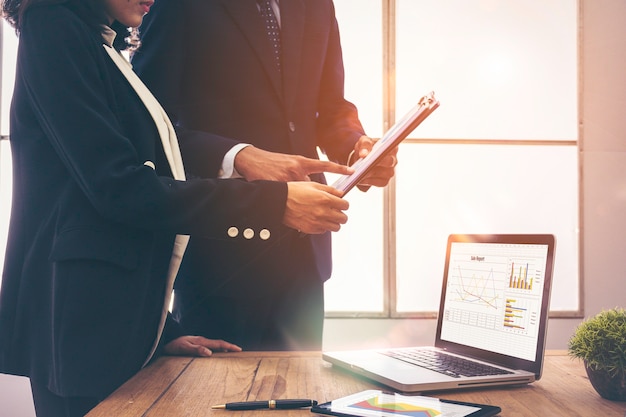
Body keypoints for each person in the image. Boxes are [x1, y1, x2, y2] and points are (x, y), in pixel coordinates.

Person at [0, 0, 354, 415]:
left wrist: (159, 330)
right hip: (81, 323)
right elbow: (119, 187)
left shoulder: (98, 38)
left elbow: (121, 182)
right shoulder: (53, 23)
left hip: (116, 321)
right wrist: (270, 203)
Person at [132, 0, 397, 351]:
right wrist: (237, 156)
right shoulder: (176, 5)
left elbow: (331, 107)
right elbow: (147, 121)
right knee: (212, 398)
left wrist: (358, 149)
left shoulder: (317, 6)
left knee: (299, 397)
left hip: (303, 250)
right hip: (220, 252)